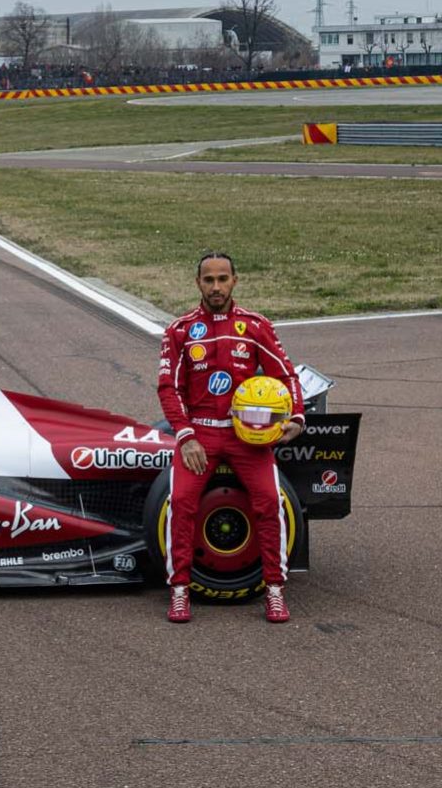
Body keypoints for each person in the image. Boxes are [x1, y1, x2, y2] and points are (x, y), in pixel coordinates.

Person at [156, 251, 305, 624]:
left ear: (235, 281)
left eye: (223, 279)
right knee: (182, 504)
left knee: (270, 503)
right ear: (198, 284)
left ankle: (274, 591)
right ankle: (179, 592)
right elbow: (168, 389)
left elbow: (287, 377)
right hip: (200, 435)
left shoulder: (255, 326)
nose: (216, 286)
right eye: (209, 280)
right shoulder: (180, 330)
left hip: (247, 436)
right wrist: (186, 435)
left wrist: (297, 417)